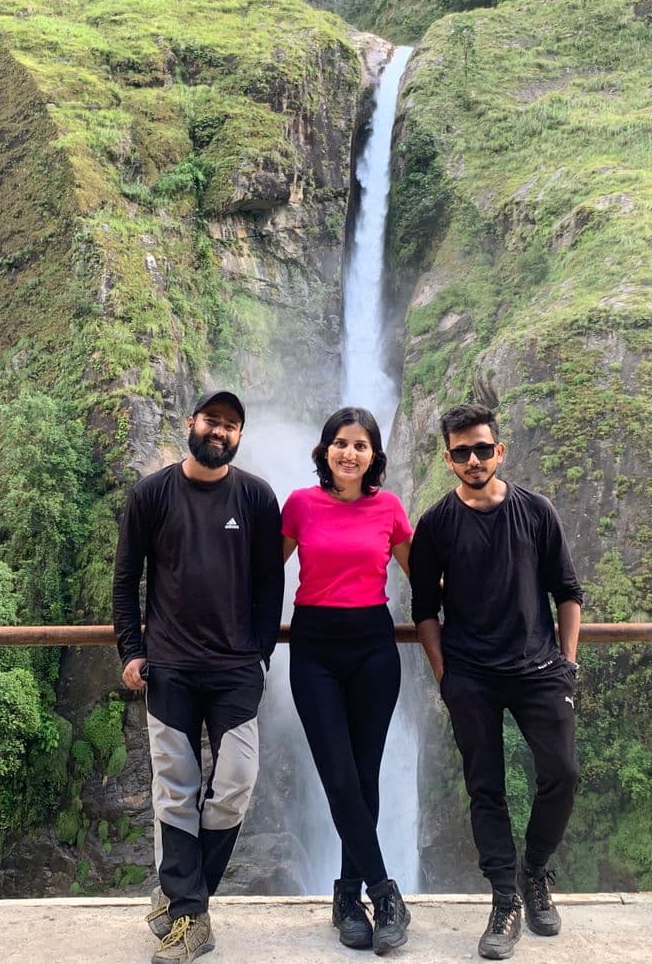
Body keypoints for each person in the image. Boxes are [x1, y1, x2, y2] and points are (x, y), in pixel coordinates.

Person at [113, 391, 284, 964]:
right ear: (192, 424)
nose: (220, 432)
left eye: (231, 426)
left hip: (236, 669)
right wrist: (131, 650)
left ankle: (183, 896)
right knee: (175, 790)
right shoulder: (152, 494)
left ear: (239, 435)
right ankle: (191, 917)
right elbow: (126, 579)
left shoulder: (257, 497)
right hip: (171, 668)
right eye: (212, 421)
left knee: (234, 784)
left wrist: (260, 655)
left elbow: (268, 582)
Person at [409, 403, 583, 961]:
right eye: (462, 451)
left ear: (499, 451)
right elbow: (423, 609)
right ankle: (505, 898)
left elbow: (568, 591)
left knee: (563, 773)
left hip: (539, 672)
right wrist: (445, 676)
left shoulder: (536, 511)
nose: (474, 458)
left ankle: (535, 871)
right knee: (486, 788)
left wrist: (567, 662)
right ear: (448, 459)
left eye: (483, 448)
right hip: (471, 678)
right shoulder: (435, 524)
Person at [281, 407, 414, 955]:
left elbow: (425, 579)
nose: (349, 453)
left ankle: (346, 897)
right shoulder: (299, 505)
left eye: (360, 445)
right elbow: (263, 573)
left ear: (374, 456)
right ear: (324, 451)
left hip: (374, 650)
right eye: (340, 443)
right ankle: (385, 894)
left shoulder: (389, 508)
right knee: (338, 775)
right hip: (313, 649)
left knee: (364, 777)